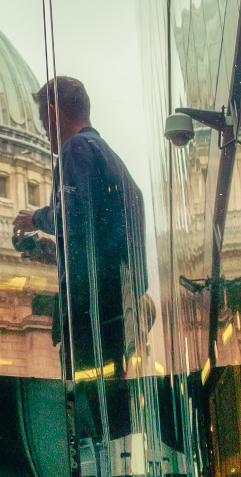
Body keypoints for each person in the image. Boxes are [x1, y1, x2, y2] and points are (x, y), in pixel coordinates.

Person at [13, 76, 148, 393]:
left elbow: (75, 216)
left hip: (88, 309)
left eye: (45, 120)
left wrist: (36, 217)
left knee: (85, 396)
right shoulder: (111, 157)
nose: (45, 131)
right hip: (112, 306)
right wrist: (49, 252)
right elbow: (95, 233)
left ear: (54, 111)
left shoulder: (76, 149)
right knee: (107, 393)